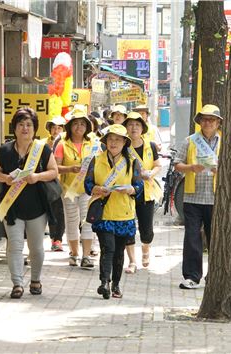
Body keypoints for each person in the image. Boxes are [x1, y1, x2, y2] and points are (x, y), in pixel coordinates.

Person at [0, 108, 58, 298]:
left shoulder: (43, 149)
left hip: (37, 207)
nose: (25, 128)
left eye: (29, 125)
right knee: (14, 245)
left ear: (35, 128)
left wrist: (37, 176)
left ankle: (36, 279)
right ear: (14, 127)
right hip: (11, 206)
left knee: (36, 247)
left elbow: (54, 171)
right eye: (21, 124)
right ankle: (17, 283)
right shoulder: (5, 150)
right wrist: (5, 178)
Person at [84, 124, 143, 299]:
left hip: (124, 213)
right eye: (110, 139)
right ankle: (104, 282)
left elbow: (139, 187)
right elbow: (87, 185)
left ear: (125, 142)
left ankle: (116, 284)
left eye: (118, 139)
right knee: (107, 248)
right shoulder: (96, 160)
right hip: (104, 213)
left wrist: (130, 189)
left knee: (118, 251)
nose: (113, 143)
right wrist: (97, 188)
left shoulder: (132, 162)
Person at [174, 104, 222, 289]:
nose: (208, 122)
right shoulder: (190, 141)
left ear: (218, 122)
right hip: (192, 197)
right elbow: (177, 164)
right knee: (192, 237)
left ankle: (215, 276)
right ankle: (192, 276)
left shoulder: (226, 141)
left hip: (215, 197)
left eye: (212, 119)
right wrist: (191, 168)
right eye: (205, 119)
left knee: (215, 238)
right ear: (200, 122)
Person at [55, 107, 101, 268]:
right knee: (72, 222)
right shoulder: (62, 144)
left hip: (89, 190)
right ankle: (74, 254)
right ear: (70, 126)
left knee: (88, 221)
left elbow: (101, 164)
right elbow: (55, 167)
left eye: (82, 124)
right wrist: (70, 169)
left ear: (87, 127)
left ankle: (86, 256)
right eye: (76, 124)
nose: (79, 127)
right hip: (69, 190)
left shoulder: (94, 143)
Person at [122, 112, 162, 273]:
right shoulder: (123, 146)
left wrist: (151, 174)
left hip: (146, 192)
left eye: (137, 125)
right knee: (128, 226)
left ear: (142, 128)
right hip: (127, 192)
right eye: (130, 124)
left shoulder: (150, 146)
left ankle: (146, 249)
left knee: (146, 229)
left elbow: (157, 165)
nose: (134, 128)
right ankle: (132, 261)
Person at [42, 116, 66, 252]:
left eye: (59, 128)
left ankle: (58, 240)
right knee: (50, 212)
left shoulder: (66, 143)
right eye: (54, 128)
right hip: (46, 183)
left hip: (63, 184)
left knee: (59, 213)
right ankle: (52, 238)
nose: (56, 130)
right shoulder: (43, 144)